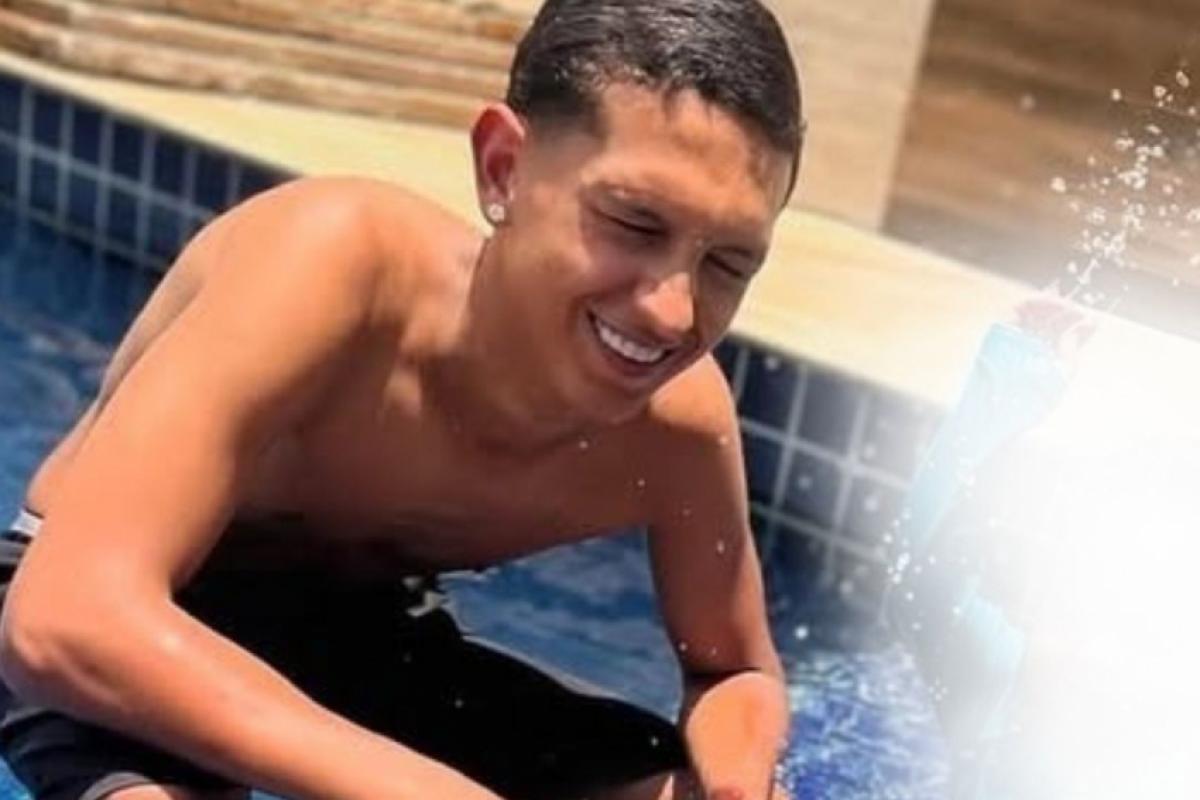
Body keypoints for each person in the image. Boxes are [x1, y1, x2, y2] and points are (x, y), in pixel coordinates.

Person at [0, 1, 804, 798]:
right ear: (504, 168)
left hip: (365, 637)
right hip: (129, 616)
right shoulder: (331, 266)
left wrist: (735, 785)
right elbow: (64, 618)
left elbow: (733, 671)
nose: (673, 312)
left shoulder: (676, 428)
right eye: (633, 223)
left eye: (728, 264)